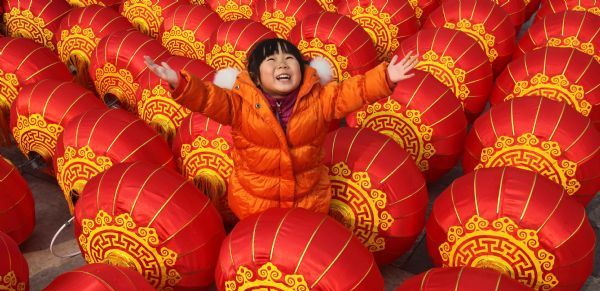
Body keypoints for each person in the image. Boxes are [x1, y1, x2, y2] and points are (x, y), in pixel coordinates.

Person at [144, 38, 418, 220]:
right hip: (254, 202)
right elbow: (206, 98)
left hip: (306, 200)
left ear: (302, 70)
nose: (282, 66)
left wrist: (385, 78)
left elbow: (352, 91)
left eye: (289, 61)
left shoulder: (319, 99)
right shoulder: (239, 105)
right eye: (271, 62)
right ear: (255, 77)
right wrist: (179, 83)